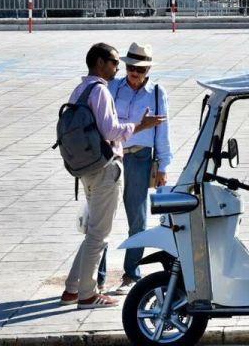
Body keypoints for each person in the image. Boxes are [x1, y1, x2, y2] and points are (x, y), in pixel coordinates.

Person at [60, 44, 164, 310]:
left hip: (86, 168)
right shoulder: (101, 91)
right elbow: (111, 131)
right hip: (106, 168)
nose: (118, 68)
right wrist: (141, 125)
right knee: (99, 235)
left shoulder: (80, 89)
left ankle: (72, 288)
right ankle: (88, 294)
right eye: (114, 63)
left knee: (93, 230)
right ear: (99, 62)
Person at [106, 43, 172, 296]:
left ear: (148, 70)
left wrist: (163, 165)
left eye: (140, 68)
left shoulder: (156, 93)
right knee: (104, 218)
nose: (134, 72)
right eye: (131, 67)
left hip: (140, 158)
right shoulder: (112, 88)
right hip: (112, 156)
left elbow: (162, 132)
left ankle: (131, 273)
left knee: (138, 218)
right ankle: (97, 277)